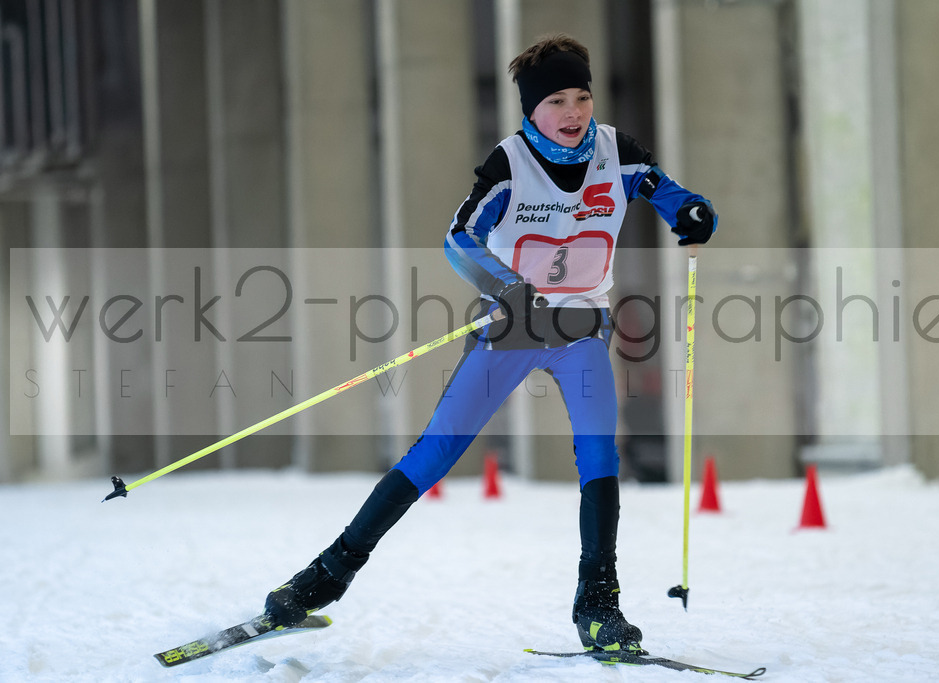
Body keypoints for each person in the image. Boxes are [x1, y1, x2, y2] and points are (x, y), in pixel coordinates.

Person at [264, 33, 717, 653]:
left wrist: (692, 211)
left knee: (600, 459)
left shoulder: (618, 152)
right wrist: (506, 286)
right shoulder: (509, 163)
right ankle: (322, 578)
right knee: (434, 454)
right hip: (513, 330)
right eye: (556, 100)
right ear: (531, 110)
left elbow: (671, 195)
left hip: (581, 329)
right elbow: (458, 239)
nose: (573, 112)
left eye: (582, 96)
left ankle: (598, 605)